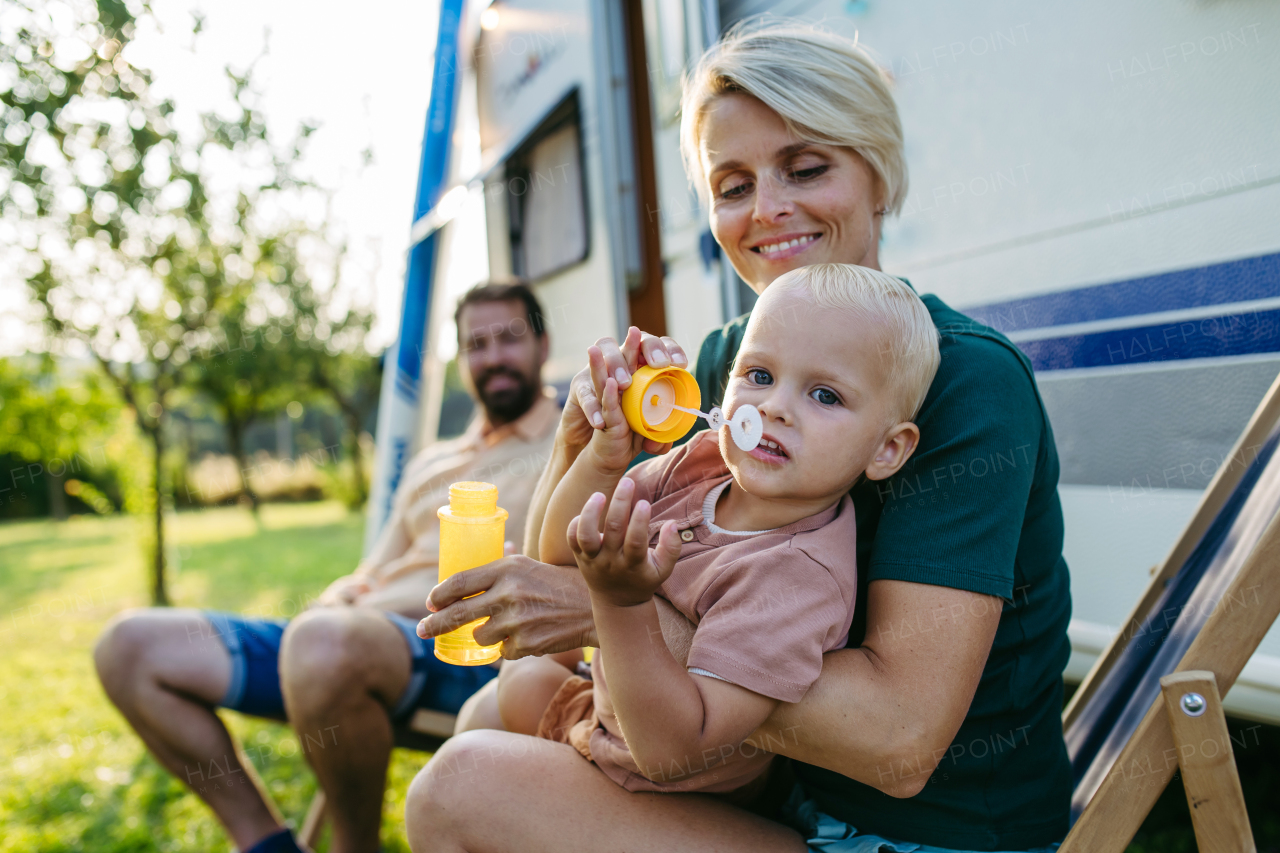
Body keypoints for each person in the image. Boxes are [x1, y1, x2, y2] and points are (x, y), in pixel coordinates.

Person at [408, 19, 1071, 853]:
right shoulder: (729, 361)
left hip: (920, 831)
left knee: (458, 789)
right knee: (502, 700)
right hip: (781, 790)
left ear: (879, 174)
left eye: (806, 167)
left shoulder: (964, 381)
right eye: (731, 184)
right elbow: (563, 568)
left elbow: (900, 742)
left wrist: (604, 614)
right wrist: (586, 446)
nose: (767, 210)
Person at [94, 280, 561, 853]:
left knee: (323, 644)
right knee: (131, 647)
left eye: (508, 338)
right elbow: (375, 569)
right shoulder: (434, 461)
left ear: (543, 344)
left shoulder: (571, 444)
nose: (492, 357)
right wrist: (337, 600)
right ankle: (266, 844)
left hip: (466, 655)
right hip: (341, 640)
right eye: (475, 344)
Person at [496, 264, 939, 804]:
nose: (772, 407)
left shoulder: (798, 576)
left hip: (672, 795)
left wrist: (619, 601)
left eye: (824, 395)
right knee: (514, 686)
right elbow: (558, 555)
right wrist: (603, 459)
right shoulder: (698, 464)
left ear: (887, 449)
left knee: (467, 779)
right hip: (604, 727)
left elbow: (675, 752)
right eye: (758, 375)